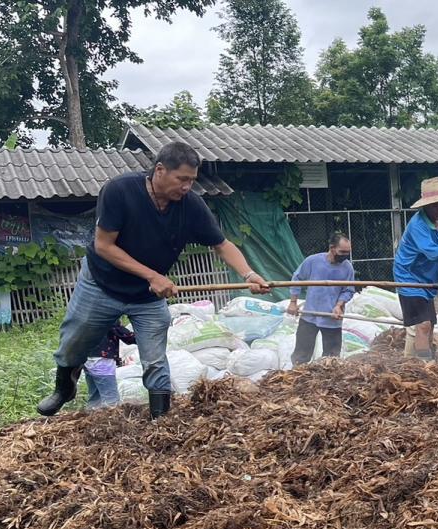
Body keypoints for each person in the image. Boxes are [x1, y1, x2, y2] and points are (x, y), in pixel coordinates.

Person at [37, 141, 270, 419]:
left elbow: (221, 244)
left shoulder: (191, 206)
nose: (187, 187)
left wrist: (249, 274)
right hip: (101, 284)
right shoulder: (120, 191)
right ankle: (64, 388)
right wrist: (152, 275)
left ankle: (161, 418)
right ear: (160, 170)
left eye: (192, 181)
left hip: (147, 296)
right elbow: (104, 246)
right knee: (74, 339)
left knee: (155, 356)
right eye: (182, 179)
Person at [393, 177, 438, 361]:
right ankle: (424, 366)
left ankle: (414, 360)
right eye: (436, 206)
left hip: (429, 278)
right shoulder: (418, 225)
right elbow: (431, 251)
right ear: (425, 206)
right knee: (423, 324)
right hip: (409, 277)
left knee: (430, 324)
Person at [286, 232, 355, 366]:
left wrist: (339, 305)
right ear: (332, 248)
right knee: (301, 355)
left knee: (331, 358)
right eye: (342, 252)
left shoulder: (347, 267)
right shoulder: (313, 261)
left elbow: (348, 290)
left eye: (348, 252)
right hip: (310, 315)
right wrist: (293, 303)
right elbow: (297, 278)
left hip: (332, 317)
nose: (345, 256)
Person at [84, 320, 136, 409]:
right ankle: (111, 419)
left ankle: (91, 416)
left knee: (95, 395)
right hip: (103, 361)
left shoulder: (87, 316)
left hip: (86, 358)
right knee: (111, 399)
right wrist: (147, 337)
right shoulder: (109, 317)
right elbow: (128, 337)